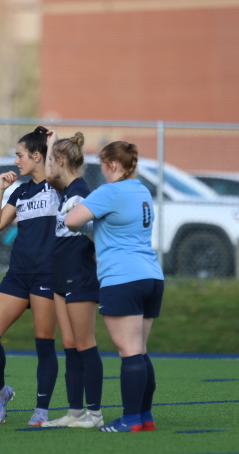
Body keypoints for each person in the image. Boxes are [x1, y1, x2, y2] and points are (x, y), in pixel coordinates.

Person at [64, 141, 163, 433]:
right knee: (141, 350)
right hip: (151, 276)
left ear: (113, 165)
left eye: (103, 165)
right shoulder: (142, 189)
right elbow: (115, 227)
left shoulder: (109, 191)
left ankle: (130, 419)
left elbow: (71, 222)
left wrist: (77, 210)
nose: (102, 171)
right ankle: (144, 417)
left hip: (122, 278)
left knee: (129, 351)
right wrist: (90, 224)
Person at [0, 126, 59, 426]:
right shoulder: (21, 191)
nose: (16, 161)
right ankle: (1, 393)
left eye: (20, 155)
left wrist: (50, 141)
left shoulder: (55, 186)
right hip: (17, 275)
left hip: (46, 275)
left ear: (37, 156)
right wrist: (0, 189)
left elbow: (58, 165)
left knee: (44, 344)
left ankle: (41, 410)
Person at [39, 131, 104, 429]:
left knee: (84, 343)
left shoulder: (81, 193)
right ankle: (74, 411)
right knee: (68, 344)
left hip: (79, 276)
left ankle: (95, 413)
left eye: (52, 161)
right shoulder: (66, 190)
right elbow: (50, 177)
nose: (48, 166)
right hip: (59, 276)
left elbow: (94, 234)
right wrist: (50, 144)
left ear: (62, 161)